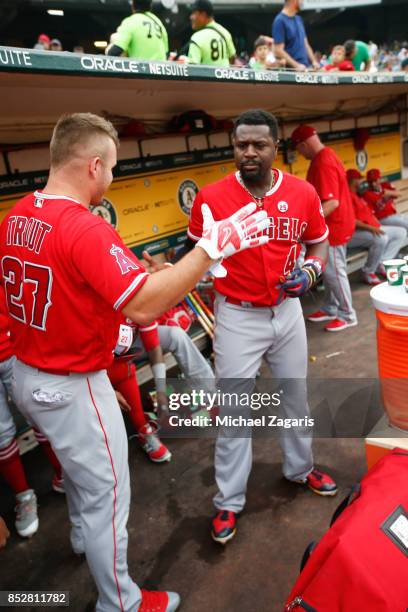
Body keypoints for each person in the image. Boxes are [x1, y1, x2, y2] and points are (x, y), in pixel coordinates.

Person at [0, 112, 268, 611]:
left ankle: (82, 537)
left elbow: (65, 292)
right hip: (71, 384)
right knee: (109, 494)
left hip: (26, 374)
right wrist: (210, 248)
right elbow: (144, 302)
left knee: (82, 481)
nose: (113, 177)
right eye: (113, 167)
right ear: (93, 165)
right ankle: (120, 601)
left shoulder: (17, 213)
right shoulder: (82, 225)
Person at [188, 109, 338, 546]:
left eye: (259, 144)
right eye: (241, 145)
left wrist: (312, 270)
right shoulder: (211, 198)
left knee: (295, 397)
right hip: (237, 315)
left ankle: (300, 468)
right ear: (233, 147)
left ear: (276, 147)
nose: (249, 152)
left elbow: (319, 239)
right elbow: (199, 251)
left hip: (287, 312)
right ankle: (228, 501)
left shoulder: (303, 191)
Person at [0, 288, 63, 539]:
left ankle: (63, 474)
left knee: (40, 416)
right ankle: (23, 496)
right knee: (1, 434)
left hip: (16, 347)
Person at [292, 124, 357, 332]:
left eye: (299, 149)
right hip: (337, 223)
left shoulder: (323, 162)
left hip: (334, 227)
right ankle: (331, 307)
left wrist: (305, 225)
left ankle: (348, 314)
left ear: (303, 144)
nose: (300, 154)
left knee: (334, 273)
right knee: (330, 272)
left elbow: (331, 203)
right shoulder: (326, 155)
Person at [346, 169, 406, 285]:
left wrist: (375, 226)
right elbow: (351, 221)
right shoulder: (348, 196)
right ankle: (368, 271)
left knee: (400, 232)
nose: (361, 182)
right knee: (381, 239)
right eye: (359, 179)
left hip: (370, 228)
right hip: (355, 233)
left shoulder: (357, 195)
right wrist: (372, 228)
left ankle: (382, 263)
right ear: (353, 181)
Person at [272, 0, 319, 72]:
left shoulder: (298, 19)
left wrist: (314, 62)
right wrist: (296, 65)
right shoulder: (279, 21)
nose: (303, 2)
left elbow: (305, 44)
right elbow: (278, 50)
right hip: (291, 72)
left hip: (305, 68)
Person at [187, 0, 236, 67]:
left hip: (204, 77)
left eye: (194, 13)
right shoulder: (225, 32)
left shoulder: (197, 37)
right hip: (224, 77)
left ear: (203, 15)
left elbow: (192, 69)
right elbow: (232, 58)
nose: (191, 17)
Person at [363, 168, 408, 233]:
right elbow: (372, 214)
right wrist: (383, 200)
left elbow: (399, 194)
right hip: (383, 218)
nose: (373, 184)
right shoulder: (366, 194)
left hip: (394, 215)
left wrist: (386, 192)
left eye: (375, 180)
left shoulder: (385, 185)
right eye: (370, 181)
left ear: (379, 179)